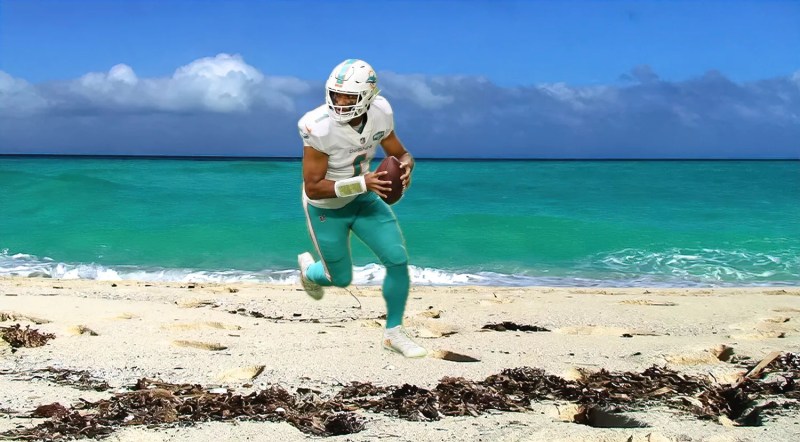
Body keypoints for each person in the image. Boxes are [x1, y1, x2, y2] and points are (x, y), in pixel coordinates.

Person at [296, 59, 426, 358]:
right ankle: (309, 272)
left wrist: (406, 168)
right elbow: (313, 185)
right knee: (339, 279)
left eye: (348, 97)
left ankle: (394, 333)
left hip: (364, 198)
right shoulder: (316, 127)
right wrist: (362, 183)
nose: (340, 103)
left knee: (396, 259)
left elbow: (401, 154)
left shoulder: (381, 113)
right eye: (335, 95)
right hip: (326, 207)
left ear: (367, 97)